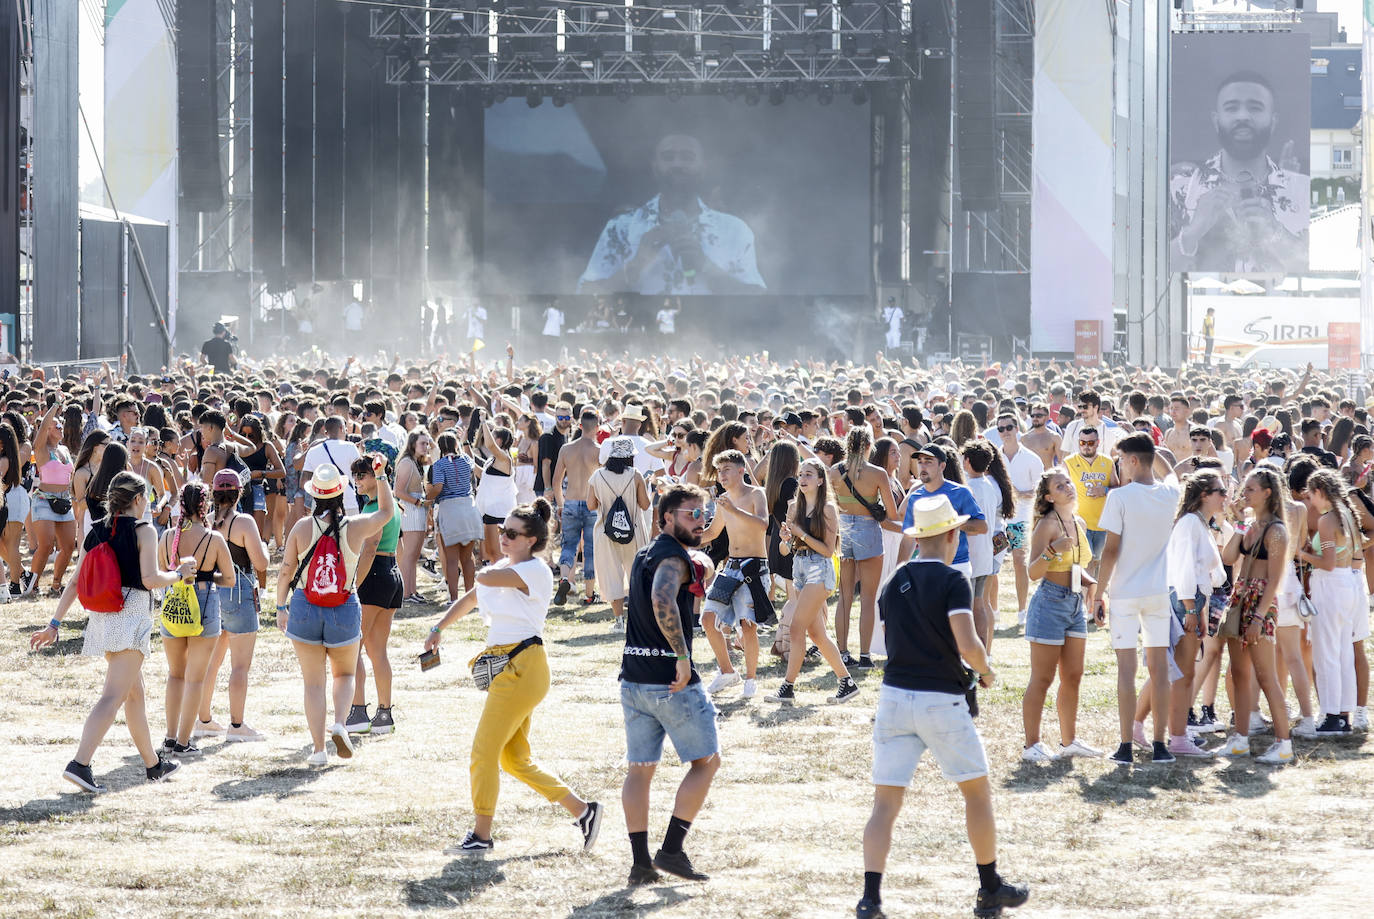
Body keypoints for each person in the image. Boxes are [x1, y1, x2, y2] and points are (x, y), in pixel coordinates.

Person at [858, 494, 1029, 919]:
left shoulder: (895, 580)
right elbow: (968, 643)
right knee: (975, 792)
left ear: (918, 538)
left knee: (884, 804)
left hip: (894, 696)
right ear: (953, 535)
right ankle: (989, 886)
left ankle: (870, 898)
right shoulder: (953, 580)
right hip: (941, 699)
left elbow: (891, 636)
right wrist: (986, 671)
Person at [423, 499, 603, 854]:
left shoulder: (535, 571)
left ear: (532, 540)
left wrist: (486, 559)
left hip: (524, 666)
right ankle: (584, 811)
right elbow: (474, 596)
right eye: (502, 531)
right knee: (512, 758)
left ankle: (481, 836)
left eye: (510, 533)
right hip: (514, 667)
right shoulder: (507, 565)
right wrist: (438, 627)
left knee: (483, 753)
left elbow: (485, 578)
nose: (502, 537)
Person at [30, 472, 188, 791]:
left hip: (104, 616)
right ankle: (80, 763)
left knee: (134, 694)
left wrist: (55, 623)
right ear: (139, 500)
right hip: (130, 615)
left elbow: (75, 582)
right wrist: (178, 574)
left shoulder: (97, 530)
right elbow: (149, 579)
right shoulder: (144, 530)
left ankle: (153, 765)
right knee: (114, 696)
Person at [619, 484, 721, 885]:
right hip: (670, 681)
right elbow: (663, 600)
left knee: (640, 771)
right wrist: (681, 656)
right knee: (706, 763)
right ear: (666, 518)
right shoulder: (672, 559)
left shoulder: (647, 551)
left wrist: (698, 559)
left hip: (634, 679)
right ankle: (672, 851)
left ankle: (641, 863)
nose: (701, 520)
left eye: (703, 513)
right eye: (691, 514)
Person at [274, 458, 394, 765]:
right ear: (342, 494)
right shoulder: (354, 527)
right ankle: (340, 723)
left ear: (314, 495)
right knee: (344, 674)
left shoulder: (302, 527)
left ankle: (317, 750)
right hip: (343, 606)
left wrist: (280, 606)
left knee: (313, 683)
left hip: (304, 606)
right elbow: (386, 512)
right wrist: (380, 476)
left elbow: (286, 570)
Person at [579, 133, 766, 295]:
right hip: (640, 335)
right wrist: (636, 264)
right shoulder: (620, 228)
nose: (677, 164)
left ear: (703, 167)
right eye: (668, 157)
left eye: (687, 157)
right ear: (654, 166)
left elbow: (759, 300)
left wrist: (706, 266)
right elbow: (582, 296)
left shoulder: (734, 230)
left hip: (717, 335)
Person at [1093, 433, 1180, 765]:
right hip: (1158, 592)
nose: (1118, 465)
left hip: (1126, 593)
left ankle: (1126, 745)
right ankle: (1160, 744)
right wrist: (1153, 452)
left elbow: (1110, 550)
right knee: (1159, 671)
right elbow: (1170, 470)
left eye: (1120, 459)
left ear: (1131, 460)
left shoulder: (1121, 497)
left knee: (1126, 672)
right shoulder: (1170, 492)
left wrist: (1098, 593)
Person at [1169, 70, 1309, 274]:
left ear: (1273, 120)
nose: (1243, 116)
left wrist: (1275, 232)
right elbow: (1151, 268)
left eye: (1255, 108)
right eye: (1232, 108)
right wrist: (1194, 231)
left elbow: (1315, 270)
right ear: (1216, 120)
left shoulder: (1303, 190)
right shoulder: (1179, 185)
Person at [1019, 471, 1101, 761]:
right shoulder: (1047, 524)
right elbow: (1032, 573)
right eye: (1059, 486)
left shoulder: (1078, 522)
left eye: (1068, 482)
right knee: (1042, 678)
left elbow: (1078, 565)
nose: (1067, 488)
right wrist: (1052, 550)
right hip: (1050, 602)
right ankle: (1032, 745)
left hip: (1075, 604)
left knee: (1074, 676)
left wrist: (1092, 584)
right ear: (1049, 497)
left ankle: (1069, 742)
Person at [765, 458, 860, 704]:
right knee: (817, 634)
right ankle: (846, 683)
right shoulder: (793, 507)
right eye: (800, 474)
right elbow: (785, 551)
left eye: (808, 474)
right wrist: (786, 539)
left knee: (797, 628)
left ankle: (787, 688)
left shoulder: (828, 509)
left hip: (820, 569)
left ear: (820, 480)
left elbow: (829, 551)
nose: (802, 479)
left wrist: (801, 534)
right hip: (800, 568)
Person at [1216, 467, 1295, 763]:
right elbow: (1228, 557)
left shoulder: (1276, 530)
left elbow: (1274, 580)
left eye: (1250, 489)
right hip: (1241, 599)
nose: (1243, 493)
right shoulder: (1250, 525)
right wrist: (1237, 523)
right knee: (1239, 674)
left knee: (1266, 676)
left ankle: (1283, 743)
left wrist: (1260, 618)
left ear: (1267, 493)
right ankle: (1240, 739)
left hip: (1259, 603)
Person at [156, 481, 236, 757]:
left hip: (173, 601)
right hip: (203, 602)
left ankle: (169, 737)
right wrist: (204, 575)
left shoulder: (167, 537)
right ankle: (183, 741)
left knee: (175, 674)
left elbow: (160, 571)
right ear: (205, 505)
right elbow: (229, 578)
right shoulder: (214, 539)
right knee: (195, 679)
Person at [197, 468, 270, 743]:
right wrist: (263, 546)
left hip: (212, 592)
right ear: (240, 493)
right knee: (240, 666)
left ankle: (203, 719)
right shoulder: (243, 521)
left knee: (211, 663)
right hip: (239, 592)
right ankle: (236, 725)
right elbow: (261, 563)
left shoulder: (206, 521)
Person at [698, 448, 772, 698]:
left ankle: (750, 679)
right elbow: (711, 533)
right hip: (731, 567)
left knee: (747, 625)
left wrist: (733, 509)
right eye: (719, 471)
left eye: (726, 470)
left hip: (754, 567)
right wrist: (681, 536)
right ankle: (727, 671)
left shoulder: (756, 493)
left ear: (741, 471)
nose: (721, 475)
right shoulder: (723, 500)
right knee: (708, 620)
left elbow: (763, 524)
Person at [1296, 469, 1360, 736]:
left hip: (1331, 586)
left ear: (1320, 492)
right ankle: (1344, 714)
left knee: (1327, 654)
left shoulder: (1327, 520)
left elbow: (1329, 564)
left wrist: (1301, 554)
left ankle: (1332, 715)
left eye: (1311, 495)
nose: (1310, 501)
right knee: (1344, 651)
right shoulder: (1345, 513)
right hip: (1348, 585)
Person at [345, 456, 405, 736]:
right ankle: (384, 714)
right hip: (392, 574)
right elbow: (397, 547)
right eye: (354, 475)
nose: (356, 480)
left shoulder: (374, 509)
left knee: (353, 648)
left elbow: (370, 548)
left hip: (374, 575)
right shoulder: (391, 505)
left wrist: (353, 584)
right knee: (377, 651)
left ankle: (357, 711)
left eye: (362, 474)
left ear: (376, 475)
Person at [831, 425, 896, 668]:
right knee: (868, 598)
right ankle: (865, 655)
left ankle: (843, 652)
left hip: (844, 530)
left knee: (845, 597)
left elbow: (831, 507)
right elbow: (890, 512)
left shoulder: (834, 472)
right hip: (869, 530)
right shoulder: (878, 474)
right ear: (869, 446)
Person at [588, 437, 651, 631]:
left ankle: (618, 621)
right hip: (634, 530)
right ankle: (637, 619)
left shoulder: (597, 476)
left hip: (606, 532)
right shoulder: (636, 475)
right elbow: (645, 504)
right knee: (636, 574)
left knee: (611, 574)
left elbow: (591, 505)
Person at [552, 409, 602, 605]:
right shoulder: (599, 450)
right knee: (590, 550)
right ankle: (589, 595)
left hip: (570, 501)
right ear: (597, 428)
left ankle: (565, 578)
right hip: (592, 503)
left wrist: (560, 503)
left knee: (568, 545)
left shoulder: (566, 449)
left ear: (579, 426)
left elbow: (556, 481)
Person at [430, 431, 483, 600]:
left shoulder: (439, 465)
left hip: (450, 509)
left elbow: (438, 487)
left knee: (452, 560)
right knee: (467, 557)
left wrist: (426, 498)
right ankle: (469, 597)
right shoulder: (467, 460)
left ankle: (454, 598)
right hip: (469, 507)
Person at [1063, 427, 1114, 577]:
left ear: (1098, 443)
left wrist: (1104, 491)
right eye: (1082, 442)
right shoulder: (1069, 462)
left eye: (1091, 442)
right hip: (1079, 522)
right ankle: (1085, 597)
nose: (1086, 446)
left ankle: (1092, 594)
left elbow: (1117, 488)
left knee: (1096, 561)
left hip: (1102, 523)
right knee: (1086, 561)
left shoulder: (1107, 462)